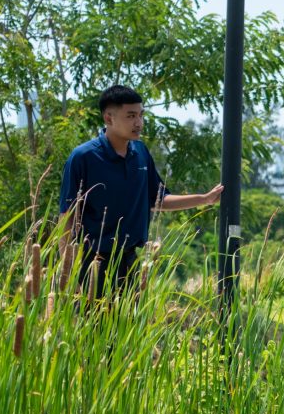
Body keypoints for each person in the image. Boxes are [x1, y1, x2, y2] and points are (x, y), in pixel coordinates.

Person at [58, 85, 223, 289]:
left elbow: (158, 199)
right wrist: (66, 273)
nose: (139, 123)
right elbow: (67, 216)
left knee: (130, 321)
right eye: (131, 116)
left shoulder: (141, 152)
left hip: (130, 262)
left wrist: (204, 199)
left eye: (141, 115)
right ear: (109, 118)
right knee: (92, 321)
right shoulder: (83, 157)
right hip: (91, 265)